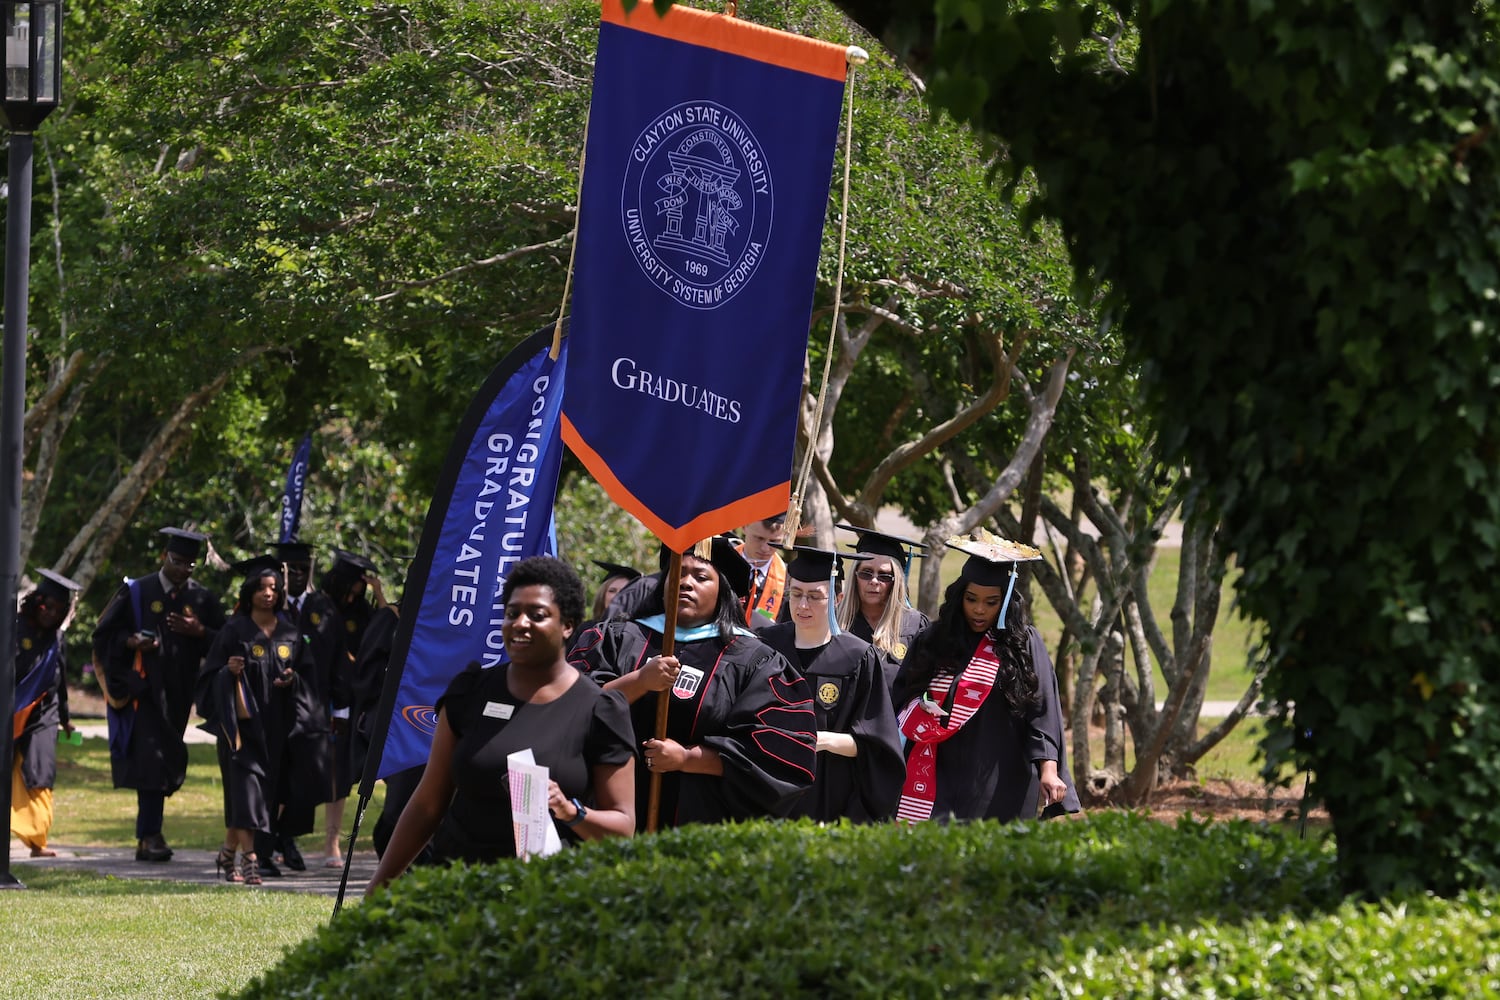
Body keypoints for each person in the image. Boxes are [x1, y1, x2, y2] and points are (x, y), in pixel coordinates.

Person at [367, 557, 636, 892]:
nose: (520, 623)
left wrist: (570, 811)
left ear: (567, 625)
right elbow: (427, 803)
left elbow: (623, 826)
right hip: (459, 888)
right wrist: (379, 885)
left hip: (549, 897)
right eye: (512, 613)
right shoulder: (469, 692)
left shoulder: (599, 709)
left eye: (537, 615)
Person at [569, 536, 817, 830]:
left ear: (723, 592)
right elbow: (570, 709)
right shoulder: (617, 639)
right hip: (605, 813)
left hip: (701, 822)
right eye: (678, 573)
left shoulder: (755, 662)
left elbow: (780, 753)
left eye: (701, 577)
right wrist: (639, 681)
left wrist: (687, 759)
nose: (686, 583)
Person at [890, 529, 1080, 823]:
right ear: (959, 596)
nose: (979, 610)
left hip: (1004, 776)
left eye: (991, 602)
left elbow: (1042, 714)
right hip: (939, 772)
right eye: (971, 599)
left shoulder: (1023, 644)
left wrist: (1049, 770)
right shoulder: (934, 640)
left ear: (1005, 603)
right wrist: (921, 703)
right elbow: (902, 696)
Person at [92, 526, 226, 862]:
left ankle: (148, 835)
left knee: (168, 762)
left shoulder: (201, 598)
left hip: (180, 694)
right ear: (165, 556)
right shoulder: (137, 591)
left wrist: (200, 631)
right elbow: (104, 634)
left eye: (190, 565)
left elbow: (226, 640)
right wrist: (130, 641)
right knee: (151, 761)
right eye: (178, 561)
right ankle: (150, 835)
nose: (183, 569)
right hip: (143, 692)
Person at [757, 548, 904, 823]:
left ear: (837, 598)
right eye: (796, 593)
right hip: (767, 791)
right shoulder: (765, 646)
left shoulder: (857, 657)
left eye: (814, 597)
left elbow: (877, 745)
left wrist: (820, 740)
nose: (802, 605)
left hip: (829, 800)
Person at [194, 557, 303, 885]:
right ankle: (251, 857)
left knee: (261, 794)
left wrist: (291, 679)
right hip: (239, 727)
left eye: (273, 588)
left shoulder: (289, 632)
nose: (268, 593)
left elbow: (306, 675)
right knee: (245, 791)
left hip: (276, 727)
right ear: (250, 592)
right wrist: (227, 672)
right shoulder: (234, 630)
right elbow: (208, 675)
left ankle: (227, 854)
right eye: (261, 588)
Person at [255, 540, 347, 876]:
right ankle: (271, 840)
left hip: (312, 707)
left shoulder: (324, 607)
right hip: (271, 707)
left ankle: (288, 836)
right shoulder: (267, 609)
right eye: (288, 569)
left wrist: (341, 709)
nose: (294, 575)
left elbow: (338, 659)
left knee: (303, 778)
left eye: (300, 569)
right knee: (274, 776)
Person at [10, 569, 81, 857]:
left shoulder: (56, 639)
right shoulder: (13, 628)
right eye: (47, 606)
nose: (51, 614)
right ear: (36, 601)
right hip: (11, 710)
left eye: (59, 610)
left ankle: (37, 839)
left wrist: (65, 718)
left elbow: (60, 679)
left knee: (42, 770)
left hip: (43, 713)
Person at [837, 524, 930, 690]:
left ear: (896, 582)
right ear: (855, 575)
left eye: (884, 575)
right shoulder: (835, 623)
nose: (874, 581)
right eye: (866, 572)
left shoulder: (915, 626)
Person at [733, 513, 788, 627]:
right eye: (759, 538)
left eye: (774, 541)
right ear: (744, 527)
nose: (765, 548)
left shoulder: (789, 580)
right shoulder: (719, 566)